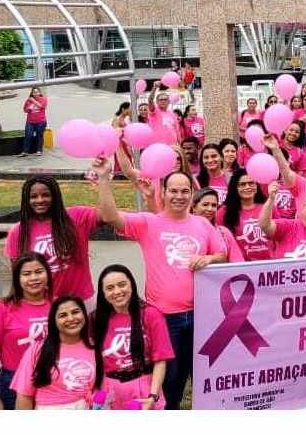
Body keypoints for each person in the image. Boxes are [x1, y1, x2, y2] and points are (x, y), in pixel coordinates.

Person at [92, 157, 226, 410]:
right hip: (164, 318)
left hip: (201, 314)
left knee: (201, 374)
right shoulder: (148, 223)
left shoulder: (202, 224)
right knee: (171, 378)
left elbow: (222, 254)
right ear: (163, 193)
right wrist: (103, 178)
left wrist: (208, 258)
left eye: (185, 191)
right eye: (173, 190)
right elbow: (110, 216)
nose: (179, 196)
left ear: (192, 194)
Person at [4, 176, 100, 303]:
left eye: (45, 195)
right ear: (26, 200)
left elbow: (109, 216)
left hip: (81, 302)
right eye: (33, 196)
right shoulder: (18, 232)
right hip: (42, 305)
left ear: (55, 196)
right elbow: (18, 276)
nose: (40, 200)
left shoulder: (77, 216)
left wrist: (103, 180)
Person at [91, 265, 171, 410]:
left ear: (132, 285)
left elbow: (160, 360)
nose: (117, 291)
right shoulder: (96, 319)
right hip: (108, 390)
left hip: (143, 388)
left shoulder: (151, 314)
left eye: (122, 285)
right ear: (103, 293)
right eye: (110, 288)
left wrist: (153, 396)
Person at [0, 252, 52, 410]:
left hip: (53, 380)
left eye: (39, 272)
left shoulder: (59, 306)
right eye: (26, 274)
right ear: (17, 279)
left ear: (47, 274)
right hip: (14, 382)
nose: (34, 278)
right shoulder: (1, 309)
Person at [10, 296, 95, 410]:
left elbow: (100, 387)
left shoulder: (94, 347)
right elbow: (24, 396)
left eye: (75, 312)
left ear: (84, 315)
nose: (71, 318)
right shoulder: (38, 349)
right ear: (54, 321)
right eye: (63, 315)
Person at [192, 189, 244, 263]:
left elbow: (238, 262)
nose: (210, 209)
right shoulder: (186, 230)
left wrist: (212, 259)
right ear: (194, 207)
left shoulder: (224, 232)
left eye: (214, 205)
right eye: (205, 205)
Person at [19, 88, 48, 157]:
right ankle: (25, 151)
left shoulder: (43, 99)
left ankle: (39, 150)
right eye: (34, 92)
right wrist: (28, 108)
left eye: (37, 92)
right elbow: (25, 110)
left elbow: (41, 106)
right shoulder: (28, 100)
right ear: (32, 93)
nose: (35, 93)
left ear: (39, 93)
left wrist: (33, 101)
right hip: (30, 121)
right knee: (28, 135)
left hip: (41, 121)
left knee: (39, 135)